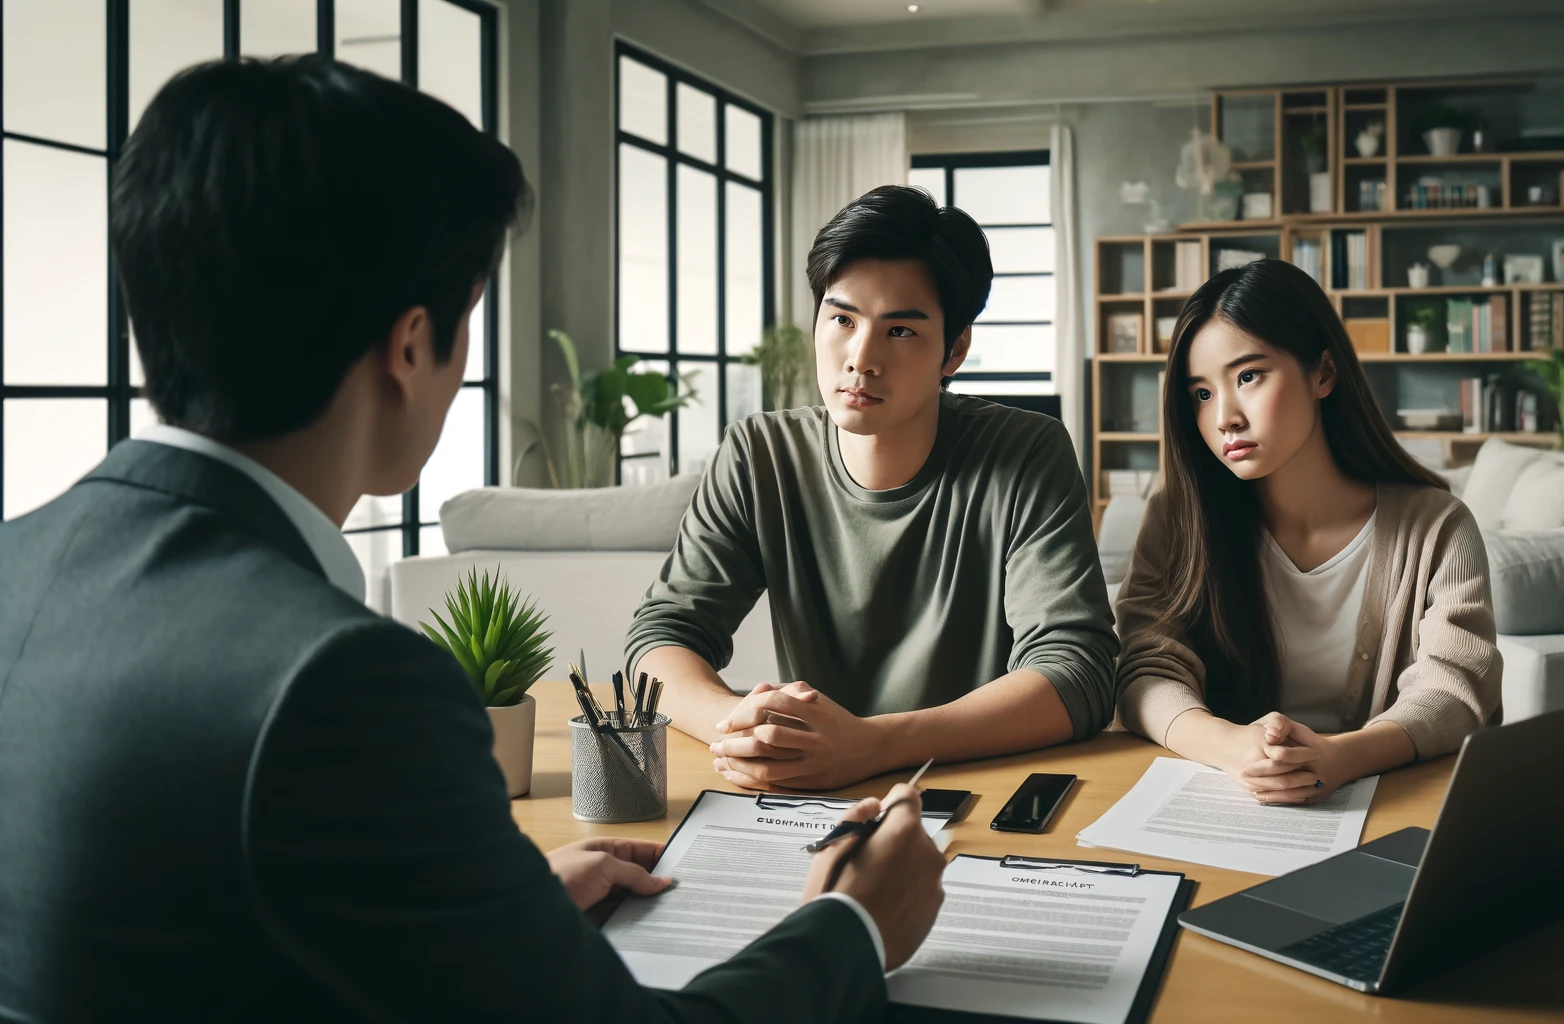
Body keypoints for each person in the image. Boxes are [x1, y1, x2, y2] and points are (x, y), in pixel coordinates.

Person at [0, 56, 943, 1022]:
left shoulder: (13, 565)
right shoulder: (343, 685)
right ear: (412, 346)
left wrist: (491, 916)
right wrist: (852, 927)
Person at [626, 185, 1117, 792]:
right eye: (842, 319)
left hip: (974, 785)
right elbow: (664, 634)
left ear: (955, 349)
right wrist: (739, 728)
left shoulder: (1026, 453)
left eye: (901, 331)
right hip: (811, 793)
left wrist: (874, 745)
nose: (861, 358)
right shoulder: (759, 454)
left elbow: (1078, 671)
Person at [1114, 259, 1501, 804]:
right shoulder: (1178, 520)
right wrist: (1232, 747)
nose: (1225, 417)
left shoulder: (1437, 526)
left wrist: (1341, 757)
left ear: (1323, 373)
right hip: (1223, 803)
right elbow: (1145, 667)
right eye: (1202, 393)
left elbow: (1456, 686)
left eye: (1248, 376)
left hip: (1389, 806)